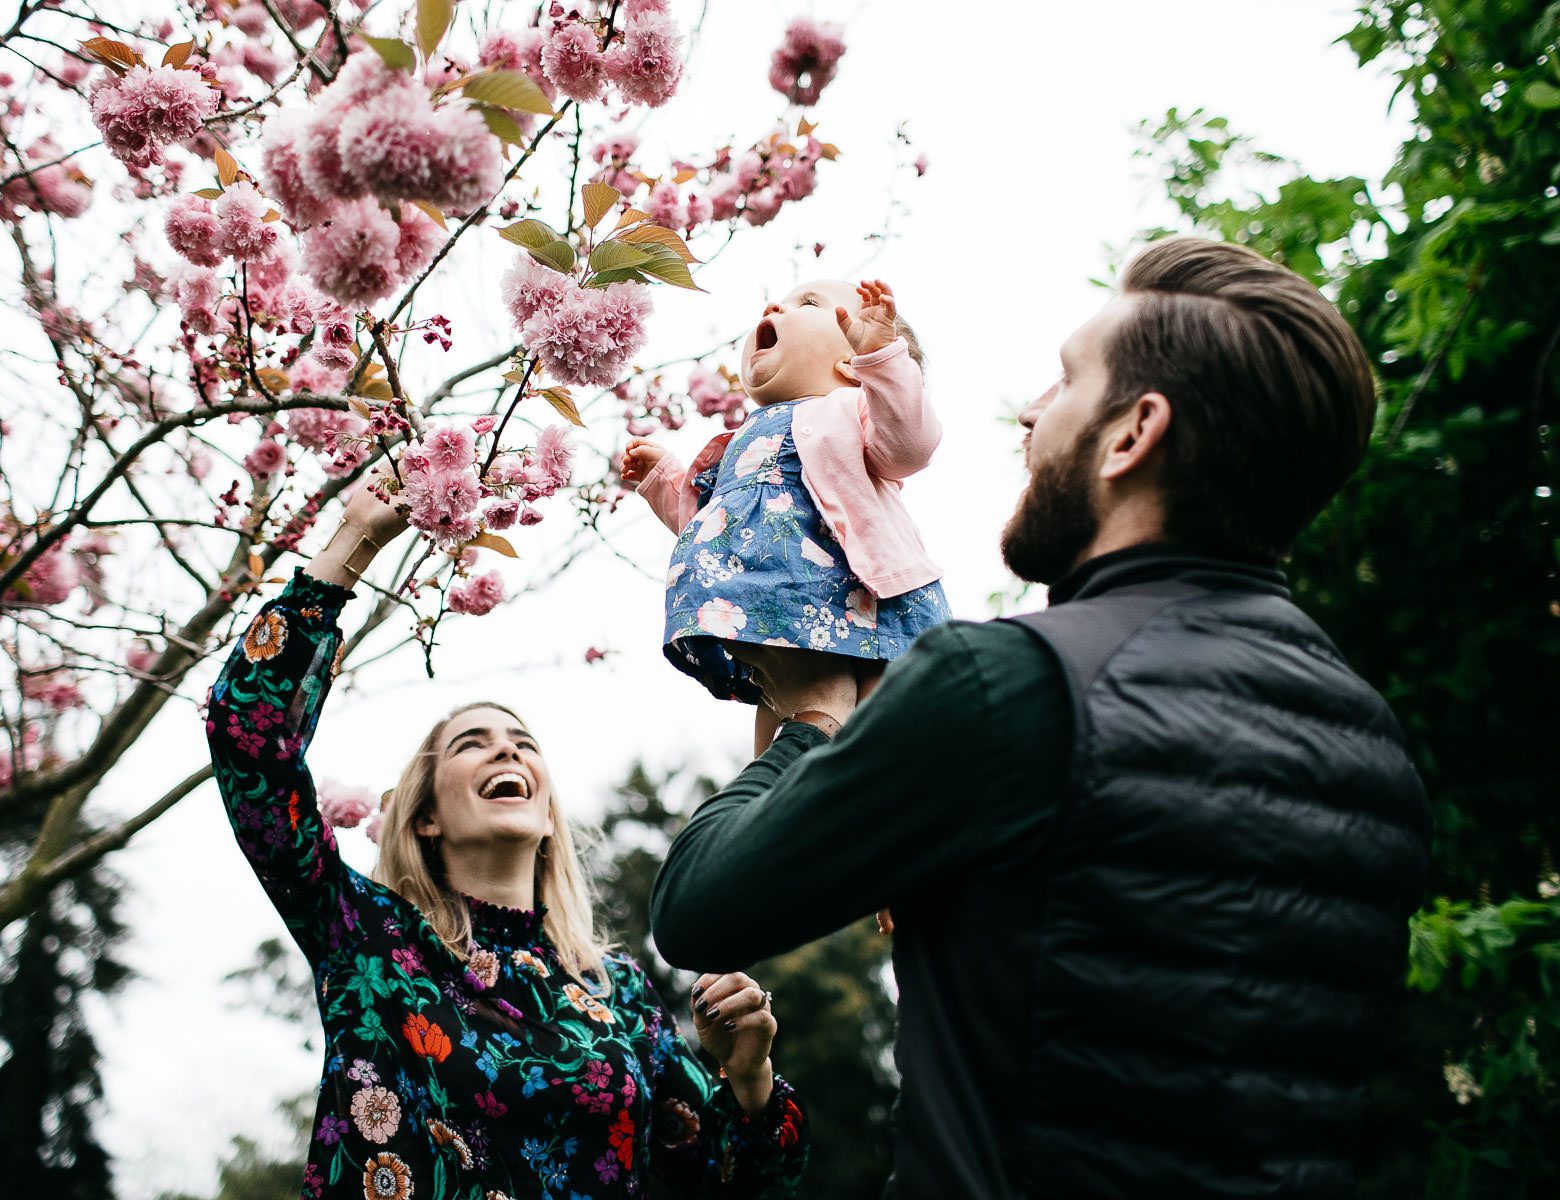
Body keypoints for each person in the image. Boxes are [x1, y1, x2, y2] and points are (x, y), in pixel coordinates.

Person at [648, 237, 1432, 1198]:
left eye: (1064, 385)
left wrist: (810, 721)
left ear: (1131, 434)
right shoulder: (1371, 743)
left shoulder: (1008, 686)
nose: (1029, 413)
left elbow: (697, 909)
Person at [205, 478, 809, 1199]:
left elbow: (728, 1186)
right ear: (424, 816)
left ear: (548, 813)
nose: (507, 753)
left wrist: (748, 1077)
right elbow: (249, 741)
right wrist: (355, 541)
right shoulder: (367, 939)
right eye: (473, 744)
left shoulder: (617, 999)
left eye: (523, 743)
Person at [620, 278, 951, 754]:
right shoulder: (739, 441)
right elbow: (716, 530)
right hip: (778, 603)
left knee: (881, 728)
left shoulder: (852, 410)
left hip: (865, 597)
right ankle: (778, 810)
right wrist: (666, 480)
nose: (777, 305)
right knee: (777, 727)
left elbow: (910, 445)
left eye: (809, 303)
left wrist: (882, 361)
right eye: (780, 301)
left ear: (852, 366)